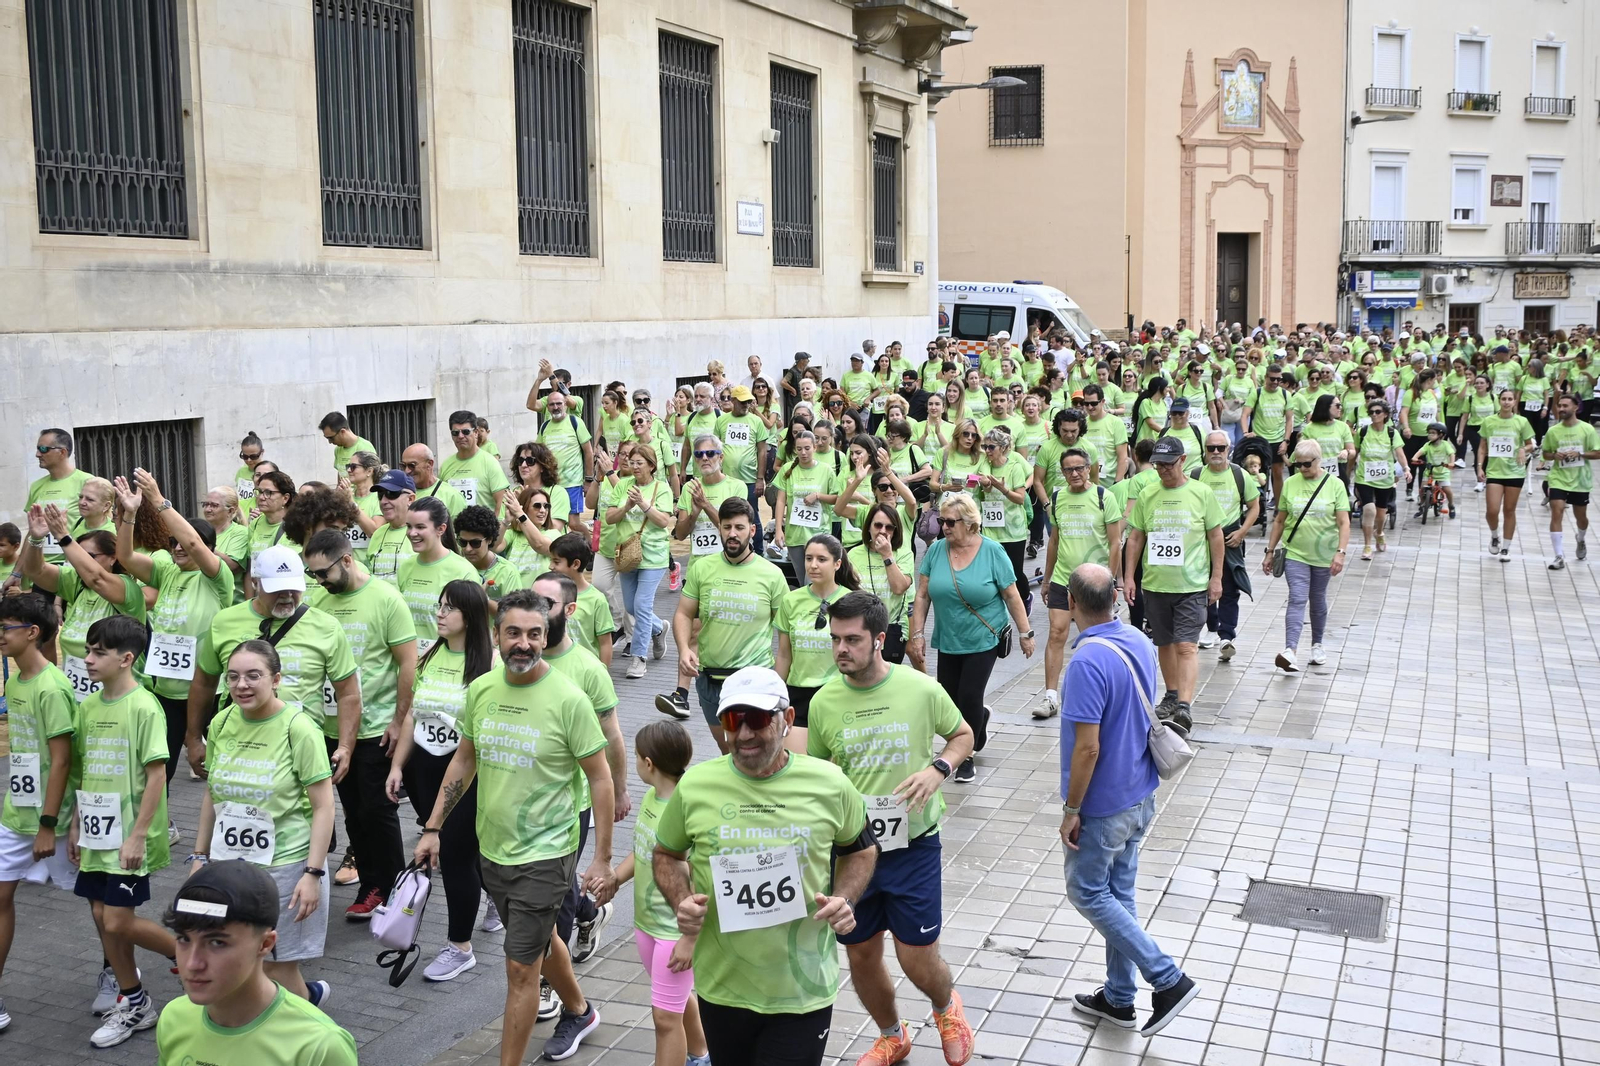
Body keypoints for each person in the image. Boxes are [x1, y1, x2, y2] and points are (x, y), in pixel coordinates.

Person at [413, 590, 616, 1066]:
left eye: (534, 634)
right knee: (542, 943)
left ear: (546, 636)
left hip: (546, 852)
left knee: (520, 967)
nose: (523, 644)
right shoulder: (483, 689)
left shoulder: (569, 700)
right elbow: (465, 759)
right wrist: (432, 827)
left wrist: (602, 857)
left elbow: (601, 778)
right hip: (494, 847)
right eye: (513, 633)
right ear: (497, 635)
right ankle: (581, 1011)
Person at [651, 666, 879, 1066]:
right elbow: (666, 854)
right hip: (723, 987)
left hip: (802, 989)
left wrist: (845, 898)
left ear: (787, 720)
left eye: (756, 719)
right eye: (732, 720)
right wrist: (681, 901)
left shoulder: (829, 783)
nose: (743, 734)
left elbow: (861, 849)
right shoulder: (696, 785)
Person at [809, 592, 977, 1066]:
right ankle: (891, 1035)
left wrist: (939, 768)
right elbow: (819, 775)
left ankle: (946, 1007)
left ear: (880, 640)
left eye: (853, 640)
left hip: (912, 845)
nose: (841, 649)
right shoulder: (823, 702)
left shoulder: (920, 689)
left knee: (916, 956)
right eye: (835, 639)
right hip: (850, 852)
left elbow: (965, 734)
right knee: (861, 954)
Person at [1058, 563, 1199, 1038]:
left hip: (1103, 804)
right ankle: (1119, 999)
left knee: (1087, 891)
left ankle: (1167, 979)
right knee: (1118, 895)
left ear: (1072, 603)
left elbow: (1088, 747)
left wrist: (1072, 810)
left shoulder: (1083, 663)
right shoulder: (1137, 641)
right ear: (1114, 600)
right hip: (1140, 793)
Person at [188, 641, 335, 1004]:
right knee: (240, 960)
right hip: (230, 868)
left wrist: (312, 874)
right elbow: (213, 793)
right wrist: (199, 856)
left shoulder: (299, 729)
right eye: (234, 677)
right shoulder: (221, 722)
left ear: (276, 680)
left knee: (277, 967)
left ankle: (302, 1033)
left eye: (254, 676)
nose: (242, 685)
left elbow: (324, 807)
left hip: (285, 866)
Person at [69, 614, 177, 1048]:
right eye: (89, 650)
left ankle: (186, 954)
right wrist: (77, 819)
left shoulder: (144, 706)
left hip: (131, 835)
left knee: (117, 919)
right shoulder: (89, 706)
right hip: (96, 829)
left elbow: (156, 776)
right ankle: (134, 1002)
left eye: (99, 652)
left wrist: (138, 835)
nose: (88, 659)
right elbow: (84, 768)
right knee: (101, 918)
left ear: (126, 659)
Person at [386, 579, 500, 982]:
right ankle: (495, 895)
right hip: (424, 771)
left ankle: (459, 947)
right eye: (439, 605)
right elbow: (414, 715)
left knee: (453, 856)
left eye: (448, 608)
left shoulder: (490, 664)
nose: (439, 613)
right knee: (465, 854)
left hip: (467, 774)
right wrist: (398, 766)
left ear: (469, 616)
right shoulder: (429, 655)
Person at [302, 529, 415, 920]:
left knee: (377, 812)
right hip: (332, 729)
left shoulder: (385, 598)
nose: (318, 581)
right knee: (352, 812)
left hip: (376, 727)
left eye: (323, 573)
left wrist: (399, 721)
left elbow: (407, 664)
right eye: (312, 574)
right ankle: (374, 883)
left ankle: (390, 890)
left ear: (347, 560)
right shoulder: (318, 600)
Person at [529, 571, 628, 998]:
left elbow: (613, 738)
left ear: (569, 611)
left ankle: (551, 980)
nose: (536, 611)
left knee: (555, 891)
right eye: (531, 600)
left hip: (571, 798)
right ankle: (590, 911)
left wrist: (621, 790)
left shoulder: (588, 671)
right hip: (518, 795)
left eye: (546, 604)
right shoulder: (512, 657)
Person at [157, 861, 358, 1064]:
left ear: (265, 943)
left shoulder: (319, 1047)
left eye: (217, 943)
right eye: (184, 939)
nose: (192, 964)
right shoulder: (173, 1018)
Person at [112, 471, 235, 802]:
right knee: (159, 766)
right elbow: (124, 558)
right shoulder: (166, 571)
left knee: (227, 768)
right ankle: (160, 829)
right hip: (166, 691)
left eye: (186, 542)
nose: (180, 547)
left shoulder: (216, 577)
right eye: (173, 543)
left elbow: (193, 542)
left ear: (210, 548)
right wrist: (129, 516)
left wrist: (158, 500)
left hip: (210, 691)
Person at [908, 494, 1036, 783]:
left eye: (950, 522)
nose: (944, 527)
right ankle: (977, 725)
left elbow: (1011, 595)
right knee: (950, 699)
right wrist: (917, 634)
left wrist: (1025, 632)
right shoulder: (936, 551)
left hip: (984, 636)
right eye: (941, 521)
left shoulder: (992, 552)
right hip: (949, 636)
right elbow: (922, 595)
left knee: (969, 694)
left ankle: (964, 756)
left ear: (970, 523)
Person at [0, 593, 79, 1035]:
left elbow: (62, 760)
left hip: (57, 821)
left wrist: (50, 824)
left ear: (32, 633)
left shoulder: (53, 687)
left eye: (6, 628)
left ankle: (128, 974)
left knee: (105, 910)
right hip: (16, 815)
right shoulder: (15, 682)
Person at [613, 722, 711, 1066]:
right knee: (678, 1001)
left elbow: (700, 880)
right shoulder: (654, 797)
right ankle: (701, 1057)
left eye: (637, 757)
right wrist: (615, 879)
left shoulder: (685, 807)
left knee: (664, 1019)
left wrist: (689, 938)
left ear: (649, 763)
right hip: (647, 924)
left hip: (673, 931)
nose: (636, 763)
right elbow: (643, 852)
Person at [658, 498, 789, 754]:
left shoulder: (771, 574)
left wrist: (779, 681)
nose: (732, 534)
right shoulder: (703, 568)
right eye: (726, 527)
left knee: (756, 749)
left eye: (739, 527)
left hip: (753, 680)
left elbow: (786, 633)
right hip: (710, 680)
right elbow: (684, 614)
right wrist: (684, 649)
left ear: (752, 530)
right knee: (727, 748)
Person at [1123, 436, 1225, 739]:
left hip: (1191, 584)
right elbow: (1136, 537)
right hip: (1156, 584)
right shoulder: (1148, 494)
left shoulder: (1201, 493)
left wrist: (1216, 577)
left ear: (1183, 461)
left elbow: (1216, 537)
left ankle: (1184, 704)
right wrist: (1129, 577)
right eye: (1158, 464)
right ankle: (1170, 694)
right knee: (1164, 644)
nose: (1163, 470)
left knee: (1186, 645)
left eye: (1168, 464)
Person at [19, 504, 146, 702]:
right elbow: (36, 572)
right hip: (78, 692)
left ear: (113, 558)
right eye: (79, 556)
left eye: (90, 556)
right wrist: (36, 539)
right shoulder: (76, 582)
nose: (81, 562)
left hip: (119, 695)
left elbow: (97, 579)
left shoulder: (126, 586)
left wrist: (63, 535)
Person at [1040, 447, 1124, 719]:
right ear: (1062, 472)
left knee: (1097, 638)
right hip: (1063, 578)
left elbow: (1115, 542)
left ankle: (1102, 693)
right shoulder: (1057, 497)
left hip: (1094, 581)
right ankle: (1050, 697)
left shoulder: (1104, 497)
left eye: (1079, 468)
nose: (1074, 473)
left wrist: (1111, 580)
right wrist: (1047, 577)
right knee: (1057, 633)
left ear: (1089, 468)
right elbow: (1054, 540)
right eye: (1068, 469)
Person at [1262, 441, 1350, 671]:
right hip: (1295, 553)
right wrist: (1270, 551)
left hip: (1324, 553)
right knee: (1298, 598)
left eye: (1306, 464)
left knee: (1318, 598)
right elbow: (1280, 519)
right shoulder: (1290, 484)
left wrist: (1341, 552)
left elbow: (1343, 521)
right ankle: (1290, 650)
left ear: (1319, 460)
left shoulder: (1335, 485)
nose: (1301, 468)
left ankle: (1317, 644)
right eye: (1297, 464)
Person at [774, 534, 856, 754]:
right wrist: (775, 694)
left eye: (821, 559)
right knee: (798, 765)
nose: (813, 565)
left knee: (833, 766)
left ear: (837, 564)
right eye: (809, 558)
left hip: (837, 693)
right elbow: (783, 654)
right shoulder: (791, 600)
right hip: (798, 694)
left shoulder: (852, 601)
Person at [602, 445, 675, 679]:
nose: (633, 466)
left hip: (653, 555)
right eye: (631, 462)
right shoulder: (622, 485)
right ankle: (658, 628)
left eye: (639, 462)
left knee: (642, 606)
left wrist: (644, 504)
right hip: (627, 554)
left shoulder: (662, 489)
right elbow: (610, 517)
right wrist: (627, 506)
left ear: (652, 465)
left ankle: (638, 657)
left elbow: (663, 521)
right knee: (632, 607)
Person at [1191, 431, 1259, 660]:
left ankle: (1227, 635)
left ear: (1228, 449)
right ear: (1205, 451)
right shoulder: (1196, 475)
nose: (1216, 452)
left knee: (1230, 588)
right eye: (1211, 448)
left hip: (1230, 538)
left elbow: (1255, 506)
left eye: (1221, 448)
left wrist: (1242, 531)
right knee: (1204, 586)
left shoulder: (1239, 475)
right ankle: (1211, 627)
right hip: (1202, 540)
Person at [396, 496, 480, 651]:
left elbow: (475, 629)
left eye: (420, 527)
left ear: (441, 529)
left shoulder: (463, 571)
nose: (412, 533)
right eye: (409, 526)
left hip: (445, 666)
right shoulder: (405, 567)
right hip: (409, 664)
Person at [847, 504, 915, 664]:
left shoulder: (904, 554)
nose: (883, 531)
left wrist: (887, 555)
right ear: (868, 527)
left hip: (892, 630)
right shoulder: (853, 554)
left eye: (889, 527)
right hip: (861, 629)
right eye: (878, 525)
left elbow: (899, 587)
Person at [978, 427, 1034, 613]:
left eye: (991, 447)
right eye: (985, 446)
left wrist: (1002, 489)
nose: (987, 451)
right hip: (991, 528)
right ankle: (999, 606)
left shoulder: (1014, 467)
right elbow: (984, 485)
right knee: (992, 572)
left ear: (1002, 448)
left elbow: (1019, 498)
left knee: (1014, 572)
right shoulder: (985, 465)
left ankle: (1025, 597)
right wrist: (986, 485)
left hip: (1014, 529)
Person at [1478, 389, 1538, 563]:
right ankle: (1494, 535)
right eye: (1503, 399)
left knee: (1509, 510)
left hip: (1515, 471)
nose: (1506, 402)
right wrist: (1480, 467)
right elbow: (1482, 447)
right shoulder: (1489, 421)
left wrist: (1522, 449)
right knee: (1492, 510)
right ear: (1499, 400)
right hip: (1495, 471)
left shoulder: (1522, 421)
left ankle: (1505, 548)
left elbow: (1531, 445)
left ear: (1514, 402)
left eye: (1509, 399)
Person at [1543, 393, 1600, 570]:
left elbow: (1597, 453)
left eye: (1565, 406)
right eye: (1559, 405)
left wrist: (1580, 454)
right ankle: (1558, 556)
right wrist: (1554, 455)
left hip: (1580, 481)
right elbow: (1546, 454)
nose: (1561, 409)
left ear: (1576, 407)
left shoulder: (1587, 429)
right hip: (1559, 478)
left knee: (1580, 517)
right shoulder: (1553, 431)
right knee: (1556, 511)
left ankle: (1581, 538)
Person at [773, 429, 839, 578]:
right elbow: (781, 500)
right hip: (795, 535)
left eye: (807, 448)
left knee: (811, 581)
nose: (803, 452)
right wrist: (778, 529)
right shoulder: (787, 469)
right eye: (799, 449)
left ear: (815, 447)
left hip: (819, 534)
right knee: (801, 579)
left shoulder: (826, 470)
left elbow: (836, 498)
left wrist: (818, 496)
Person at [1352, 400, 1411, 560]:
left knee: (1381, 512)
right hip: (1364, 477)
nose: (1374, 415)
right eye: (1371, 412)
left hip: (1384, 478)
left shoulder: (1392, 433)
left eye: (1378, 412)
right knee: (1369, 510)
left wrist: (1406, 468)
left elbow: (1399, 453)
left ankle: (1379, 532)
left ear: (1385, 414)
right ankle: (1367, 546)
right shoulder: (1363, 432)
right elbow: (1355, 452)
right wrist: (1348, 469)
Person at [547, 533, 618, 665]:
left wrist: (603, 674)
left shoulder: (596, 599)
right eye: (551, 560)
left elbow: (605, 643)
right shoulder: (547, 593)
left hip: (585, 668)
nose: (550, 566)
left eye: (556, 562)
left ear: (575, 564)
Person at [27, 427, 94, 556]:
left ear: (62, 452)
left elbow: (104, 526)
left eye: (43, 449)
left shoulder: (88, 482)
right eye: (37, 449)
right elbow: (32, 533)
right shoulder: (36, 486)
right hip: (40, 566)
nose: (37, 454)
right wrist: (18, 572)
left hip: (73, 565)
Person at [1242, 364, 1295, 507]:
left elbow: (1290, 419)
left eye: (1279, 379)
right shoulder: (1257, 393)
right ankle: (1255, 506)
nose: (1276, 382)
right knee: (1256, 472)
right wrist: (1246, 432)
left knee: (1278, 473)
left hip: (1278, 440)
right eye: (1272, 379)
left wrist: (1286, 440)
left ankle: (1279, 506)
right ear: (1266, 377)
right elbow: (1245, 414)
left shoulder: (1285, 394)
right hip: (1259, 440)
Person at [443, 410, 513, 516]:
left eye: (466, 432)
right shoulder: (446, 465)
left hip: (483, 531)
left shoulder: (490, 463)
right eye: (455, 433)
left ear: (475, 433)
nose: (460, 436)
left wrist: (497, 530)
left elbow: (502, 502)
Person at [454, 504, 524, 610]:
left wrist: (483, 599)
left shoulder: (507, 571)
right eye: (463, 542)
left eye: (475, 543)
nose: (468, 549)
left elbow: (514, 613)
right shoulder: (456, 567)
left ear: (490, 539)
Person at [400, 443, 470, 519]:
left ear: (429, 464)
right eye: (403, 466)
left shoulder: (451, 496)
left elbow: (460, 530)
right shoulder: (397, 492)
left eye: (412, 465)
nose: (407, 471)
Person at [1412, 423, 1457, 520]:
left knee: (1447, 489)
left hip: (1443, 471)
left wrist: (1451, 463)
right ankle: (1422, 505)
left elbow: (1451, 453)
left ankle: (1451, 505)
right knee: (1422, 488)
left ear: (1440, 435)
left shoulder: (1445, 444)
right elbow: (1420, 452)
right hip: (1430, 471)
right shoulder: (1427, 445)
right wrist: (1415, 458)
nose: (1430, 435)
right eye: (1429, 433)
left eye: (1433, 433)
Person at [316, 412, 377, 480]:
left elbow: (372, 479)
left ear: (342, 432)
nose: (330, 442)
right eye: (327, 438)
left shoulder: (365, 447)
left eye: (331, 438)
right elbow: (340, 474)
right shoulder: (338, 449)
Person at [234, 432, 265, 513]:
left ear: (262, 452)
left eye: (253, 456)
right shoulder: (241, 471)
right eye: (245, 456)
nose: (249, 460)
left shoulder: (269, 470)